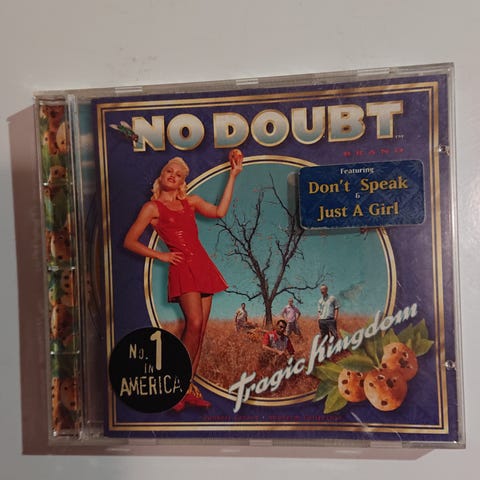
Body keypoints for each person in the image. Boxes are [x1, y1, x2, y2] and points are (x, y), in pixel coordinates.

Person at [123, 155, 243, 411]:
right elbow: (129, 241)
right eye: (170, 171)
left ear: (182, 182)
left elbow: (219, 212)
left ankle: (187, 390)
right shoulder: (152, 208)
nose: (173, 175)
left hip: (202, 265)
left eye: (178, 175)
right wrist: (161, 256)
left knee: (201, 330)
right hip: (182, 268)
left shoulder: (192, 202)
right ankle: (175, 386)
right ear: (162, 174)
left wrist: (233, 175)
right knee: (194, 323)